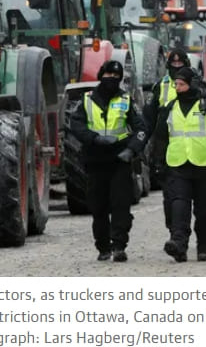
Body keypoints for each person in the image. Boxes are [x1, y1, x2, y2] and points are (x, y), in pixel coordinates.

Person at [70, 60, 147, 262]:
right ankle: (103, 247)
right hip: (95, 160)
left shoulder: (126, 100)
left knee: (121, 206)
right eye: (108, 76)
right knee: (98, 207)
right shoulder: (86, 100)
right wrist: (94, 138)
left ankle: (119, 246)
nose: (111, 80)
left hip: (119, 160)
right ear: (100, 76)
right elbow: (76, 126)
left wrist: (131, 150)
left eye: (116, 77)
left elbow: (141, 128)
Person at [153, 67, 206, 262]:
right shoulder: (169, 108)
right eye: (176, 84)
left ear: (192, 85)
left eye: (182, 84)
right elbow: (161, 138)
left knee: (203, 210)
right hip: (178, 165)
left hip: (204, 165)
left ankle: (203, 246)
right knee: (179, 205)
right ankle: (179, 243)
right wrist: (158, 163)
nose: (178, 88)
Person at [142, 48, 192, 228]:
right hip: (168, 150)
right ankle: (176, 234)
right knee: (172, 198)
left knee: (199, 204)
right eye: (173, 63)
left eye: (180, 63)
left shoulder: (199, 85)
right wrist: (140, 147)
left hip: (196, 152)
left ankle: (200, 242)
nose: (177, 66)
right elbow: (148, 122)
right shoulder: (160, 87)